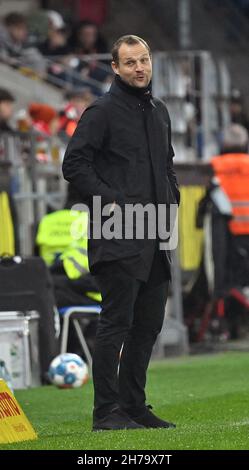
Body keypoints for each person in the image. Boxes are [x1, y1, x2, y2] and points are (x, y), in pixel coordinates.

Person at [63, 35, 180, 431]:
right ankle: (105, 412)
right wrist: (110, 198)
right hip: (117, 232)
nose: (139, 68)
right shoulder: (101, 112)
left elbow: (167, 164)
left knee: (148, 325)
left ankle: (133, 406)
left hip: (157, 233)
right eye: (130, 62)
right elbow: (74, 165)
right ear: (114, 67)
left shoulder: (160, 111)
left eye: (144, 60)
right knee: (116, 323)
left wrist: (172, 197)